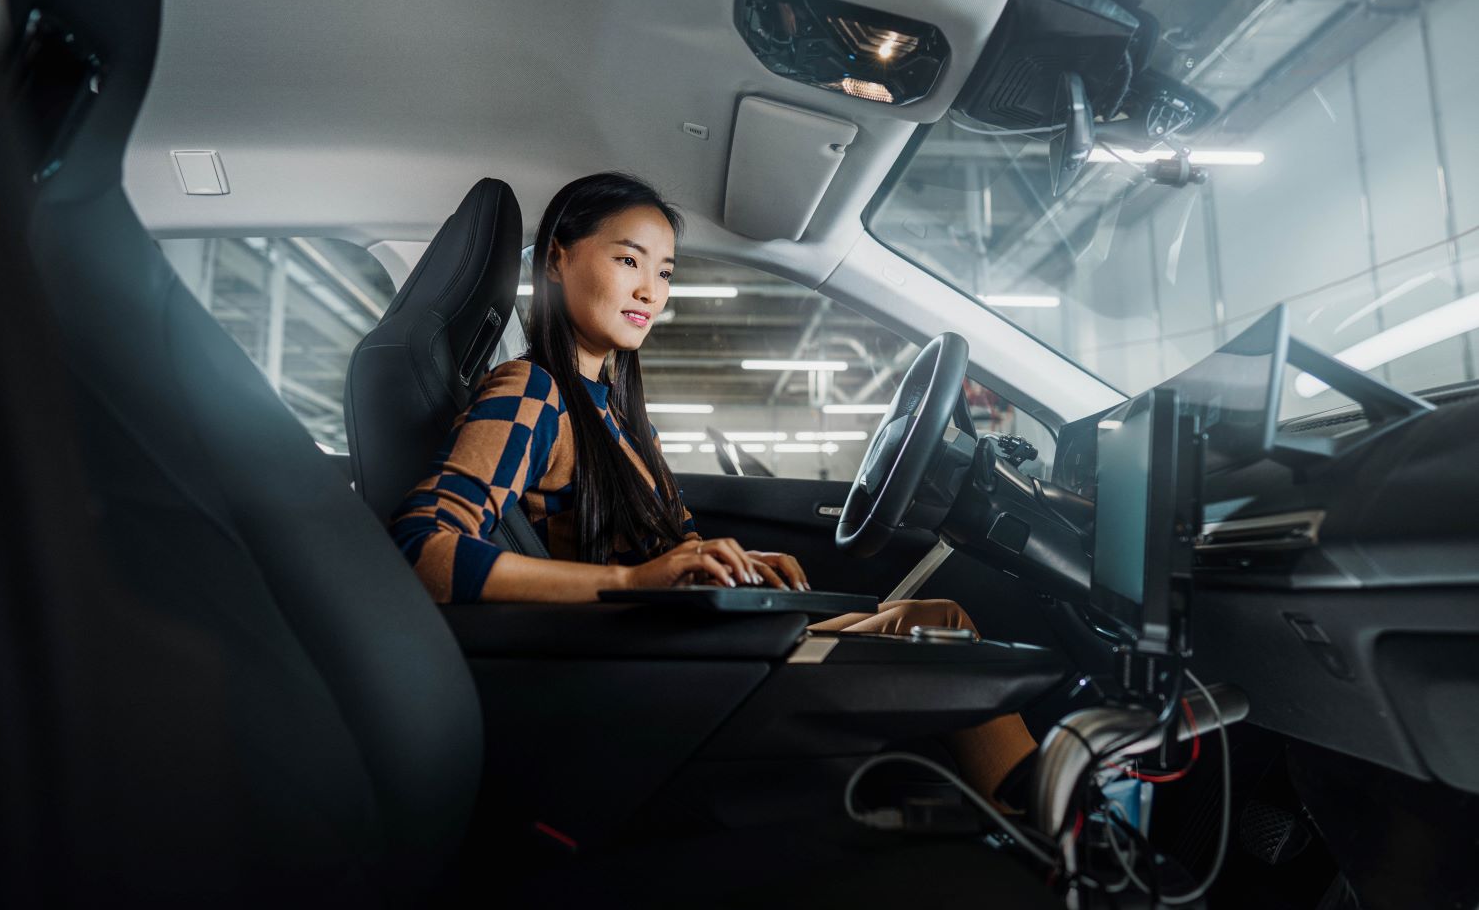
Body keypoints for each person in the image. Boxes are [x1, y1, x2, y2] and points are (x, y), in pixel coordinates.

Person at [389, 171, 1036, 804]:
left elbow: (664, 539)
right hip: (654, 664)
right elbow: (425, 551)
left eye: (665, 272)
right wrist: (630, 583)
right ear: (557, 260)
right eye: (628, 260)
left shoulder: (615, 413)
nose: (650, 289)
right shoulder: (532, 391)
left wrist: (727, 563)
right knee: (943, 637)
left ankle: (1049, 821)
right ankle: (1066, 831)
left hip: (688, 639)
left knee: (942, 621)